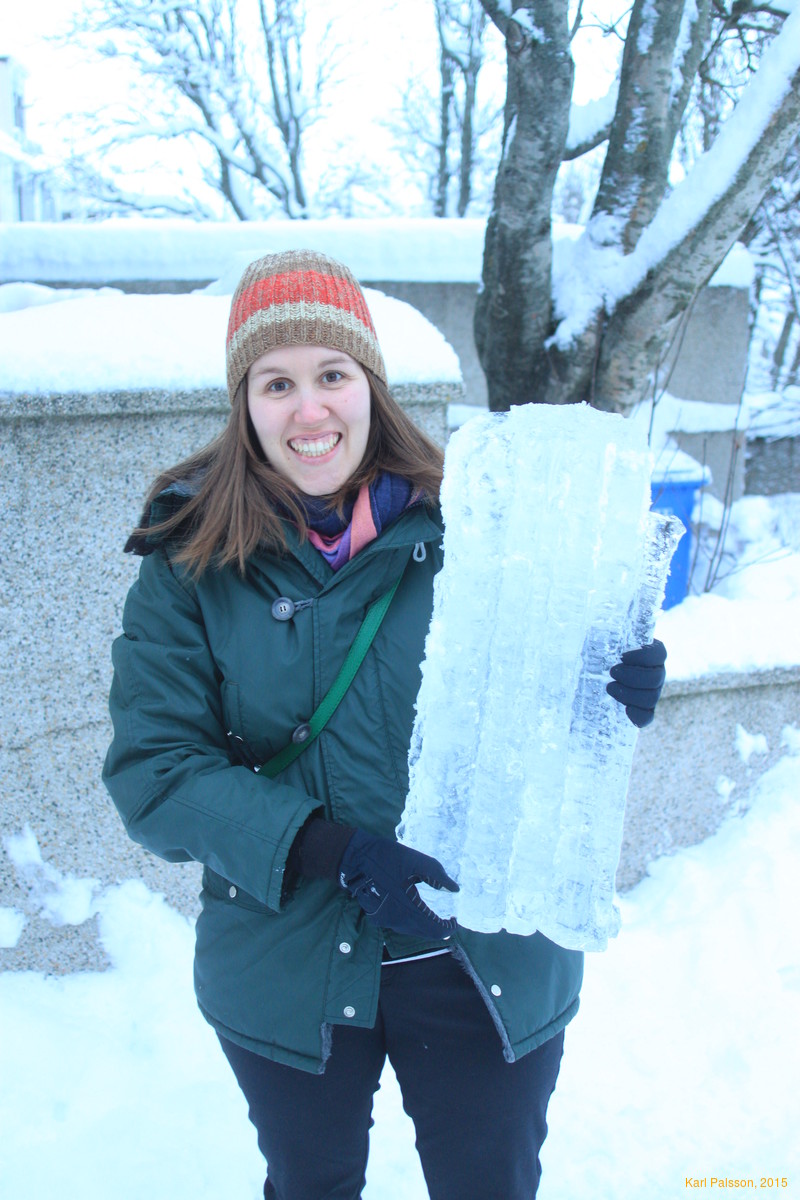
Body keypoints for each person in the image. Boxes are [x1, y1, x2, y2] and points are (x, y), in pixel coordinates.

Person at [103, 249, 667, 1200]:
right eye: (277, 383)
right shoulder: (189, 557)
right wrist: (331, 849)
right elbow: (153, 770)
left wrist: (602, 691)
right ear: (245, 402)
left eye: (333, 374)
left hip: (480, 952)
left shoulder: (483, 526)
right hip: (289, 959)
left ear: (372, 384)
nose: (309, 409)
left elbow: (531, 695)